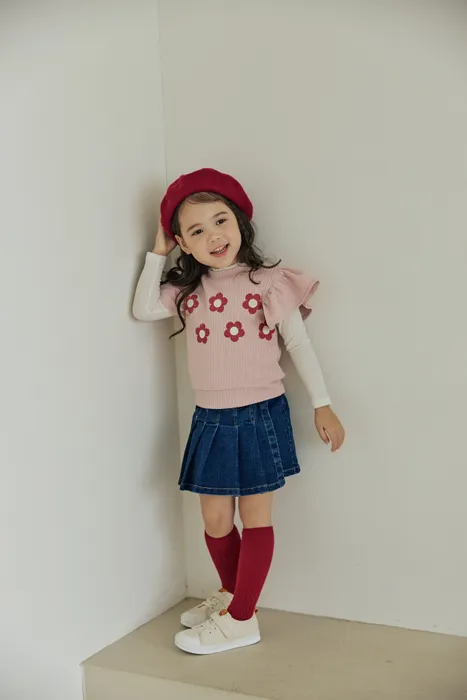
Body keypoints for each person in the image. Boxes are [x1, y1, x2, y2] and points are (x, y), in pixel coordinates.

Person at [133, 168, 345, 655]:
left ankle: (243, 620)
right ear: (184, 243)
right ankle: (233, 596)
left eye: (220, 220)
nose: (213, 236)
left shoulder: (268, 282)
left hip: (258, 414)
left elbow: (298, 344)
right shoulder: (189, 293)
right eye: (196, 230)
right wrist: (157, 252)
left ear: (240, 222)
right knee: (214, 520)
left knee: (255, 516)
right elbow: (143, 309)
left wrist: (323, 404)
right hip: (210, 418)